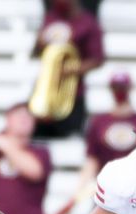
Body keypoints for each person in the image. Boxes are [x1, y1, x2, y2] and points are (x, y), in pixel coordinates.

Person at [52, 71, 136, 214]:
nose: (119, 92)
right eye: (116, 87)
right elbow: (91, 160)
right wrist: (77, 195)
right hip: (107, 192)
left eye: (122, 87)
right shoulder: (99, 122)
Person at [30, 0, 105, 139]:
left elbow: (97, 59)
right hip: (44, 88)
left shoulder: (88, 23)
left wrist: (68, 70)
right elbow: (34, 53)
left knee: (71, 138)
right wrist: (39, 42)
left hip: (72, 94)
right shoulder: (50, 17)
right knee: (37, 137)